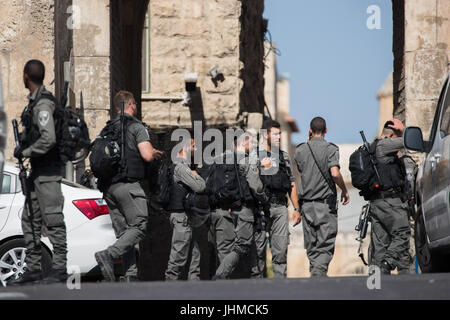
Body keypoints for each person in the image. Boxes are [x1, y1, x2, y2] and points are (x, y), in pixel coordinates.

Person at [9, 60, 67, 285]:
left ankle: (60, 269)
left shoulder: (43, 105)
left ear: (26, 76)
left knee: (53, 220)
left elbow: (48, 138)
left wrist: (26, 151)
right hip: (37, 173)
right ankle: (33, 269)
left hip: (48, 173)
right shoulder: (34, 103)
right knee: (29, 220)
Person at [94, 90, 162, 282]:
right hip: (128, 186)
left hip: (109, 189)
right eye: (135, 104)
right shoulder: (136, 126)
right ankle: (109, 254)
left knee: (126, 234)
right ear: (131, 104)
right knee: (139, 226)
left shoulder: (107, 128)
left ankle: (130, 276)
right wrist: (156, 152)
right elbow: (147, 155)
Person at [294, 117, 349, 277]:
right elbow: (334, 173)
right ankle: (318, 273)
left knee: (311, 244)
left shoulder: (300, 150)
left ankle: (316, 274)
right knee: (325, 243)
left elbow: (301, 168)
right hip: (325, 205)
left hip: (307, 206)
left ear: (310, 131)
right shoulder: (331, 149)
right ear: (326, 131)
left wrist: (308, 142)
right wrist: (344, 190)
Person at [214, 132, 268, 279]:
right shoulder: (244, 160)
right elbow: (255, 186)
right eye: (252, 143)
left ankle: (227, 281)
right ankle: (220, 275)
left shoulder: (222, 159)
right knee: (243, 245)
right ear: (244, 143)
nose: (253, 147)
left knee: (228, 245)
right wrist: (264, 199)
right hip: (245, 208)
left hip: (227, 208)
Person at [258, 119, 301, 278]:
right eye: (275, 134)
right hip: (261, 208)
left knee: (281, 250)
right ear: (265, 135)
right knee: (258, 251)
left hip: (280, 208)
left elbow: (292, 183)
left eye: (280, 134)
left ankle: (280, 286)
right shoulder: (254, 155)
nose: (279, 137)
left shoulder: (283, 156)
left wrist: (296, 209)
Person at [367, 119, 411, 275]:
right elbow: (409, 140)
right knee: (403, 234)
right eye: (396, 136)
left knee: (379, 245)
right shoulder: (385, 144)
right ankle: (388, 263)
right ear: (392, 134)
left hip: (377, 203)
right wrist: (404, 130)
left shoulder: (373, 148)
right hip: (390, 203)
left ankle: (377, 284)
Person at [165, 137, 206, 280]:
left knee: (194, 252)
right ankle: (170, 282)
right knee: (179, 252)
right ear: (184, 148)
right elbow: (200, 187)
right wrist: (196, 174)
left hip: (183, 216)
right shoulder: (181, 167)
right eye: (193, 146)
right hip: (181, 216)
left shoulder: (176, 165)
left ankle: (194, 281)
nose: (195, 149)